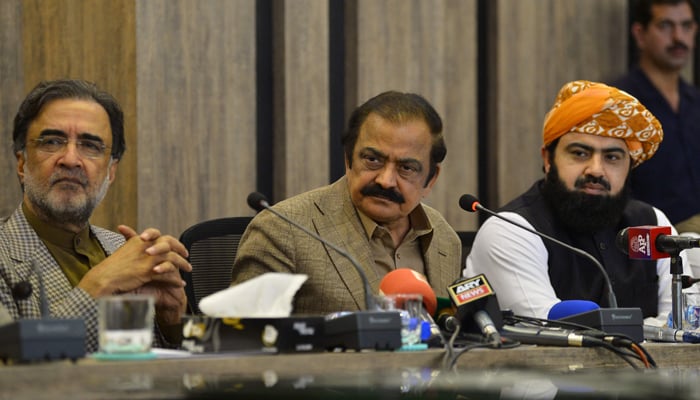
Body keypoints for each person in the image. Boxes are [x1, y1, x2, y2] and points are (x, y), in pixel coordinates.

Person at [465, 80, 687, 322]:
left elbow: (687, 322)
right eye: (580, 154)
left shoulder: (652, 224)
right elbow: (545, 328)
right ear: (548, 160)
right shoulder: (511, 230)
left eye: (612, 157)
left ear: (629, 168)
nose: (596, 170)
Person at [0, 79, 192, 353]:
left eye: (90, 145)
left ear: (110, 171)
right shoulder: (5, 253)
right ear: (22, 163)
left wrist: (172, 323)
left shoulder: (126, 252)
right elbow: (11, 366)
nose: (70, 159)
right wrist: (100, 284)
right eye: (52, 141)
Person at [232, 91, 461, 314]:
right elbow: (245, 339)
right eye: (372, 160)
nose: (386, 181)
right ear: (348, 160)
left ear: (431, 179)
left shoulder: (443, 238)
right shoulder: (283, 229)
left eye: (406, 168)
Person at [610, 0, 700, 234]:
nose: (678, 37)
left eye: (686, 26)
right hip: (649, 247)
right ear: (640, 35)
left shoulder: (695, 101)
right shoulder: (619, 104)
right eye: (665, 26)